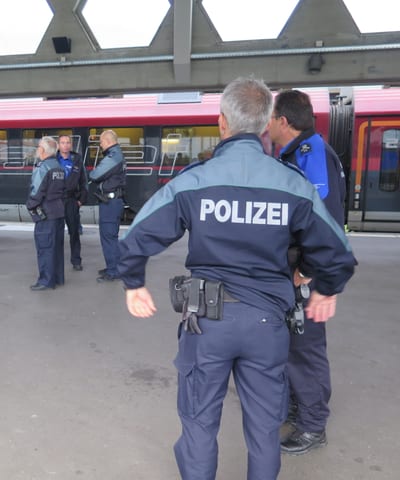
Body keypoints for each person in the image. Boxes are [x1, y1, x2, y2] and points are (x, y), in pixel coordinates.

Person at [117, 77, 356, 480]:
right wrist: (327, 288)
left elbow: (138, 235)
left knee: (198, 426)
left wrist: (133, 282)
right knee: (264, 431)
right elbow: (336, 250)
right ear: (266, 126)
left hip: (206, 323)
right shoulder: (291, 183)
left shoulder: (196, 179)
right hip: (268, 325)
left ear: (222, 123)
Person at [269, 89, 347, 455]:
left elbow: (325, 218)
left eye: (270, 119)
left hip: (305, 273)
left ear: (283, 121)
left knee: (305, 348)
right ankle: (300, 407)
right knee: (293, 344)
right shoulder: (294, 153)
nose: (266, 126)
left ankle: (313, 426)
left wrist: (309, 270)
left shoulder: (310, 153)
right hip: (294, 268)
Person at [27, 136, 65, 291]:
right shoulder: (58, 167)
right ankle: (58, 278)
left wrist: (30, 206)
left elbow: (36, 191)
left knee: (45, 248)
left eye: (38, 147)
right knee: (57, 247)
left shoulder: (43, 167)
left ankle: (45, 281)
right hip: (58, 211)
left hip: (45, 213)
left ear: (42, 150)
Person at [89, 130, 126, 282]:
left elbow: (95, 175)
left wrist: (94, 172)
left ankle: (114, 271)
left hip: (110, 203)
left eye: (102, 142)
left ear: (108, 141)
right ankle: (113, 266)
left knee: (109, 237)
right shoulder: (116, 154)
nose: (100, 144)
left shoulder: (113, 156)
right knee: (109, 237)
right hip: (112, 202)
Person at [57, 135, 88, 271]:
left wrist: (81, 200)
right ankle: (56, 260)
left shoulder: (77, 159)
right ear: (58, 145)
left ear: (71, 145)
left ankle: (76, 260)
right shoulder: (52, 159)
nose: (65, 145)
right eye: (62, 143)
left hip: (71, 200)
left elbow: (83, 181)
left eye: (68, 142)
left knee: (74, 232)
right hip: (56, 201)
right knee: (56, 232)